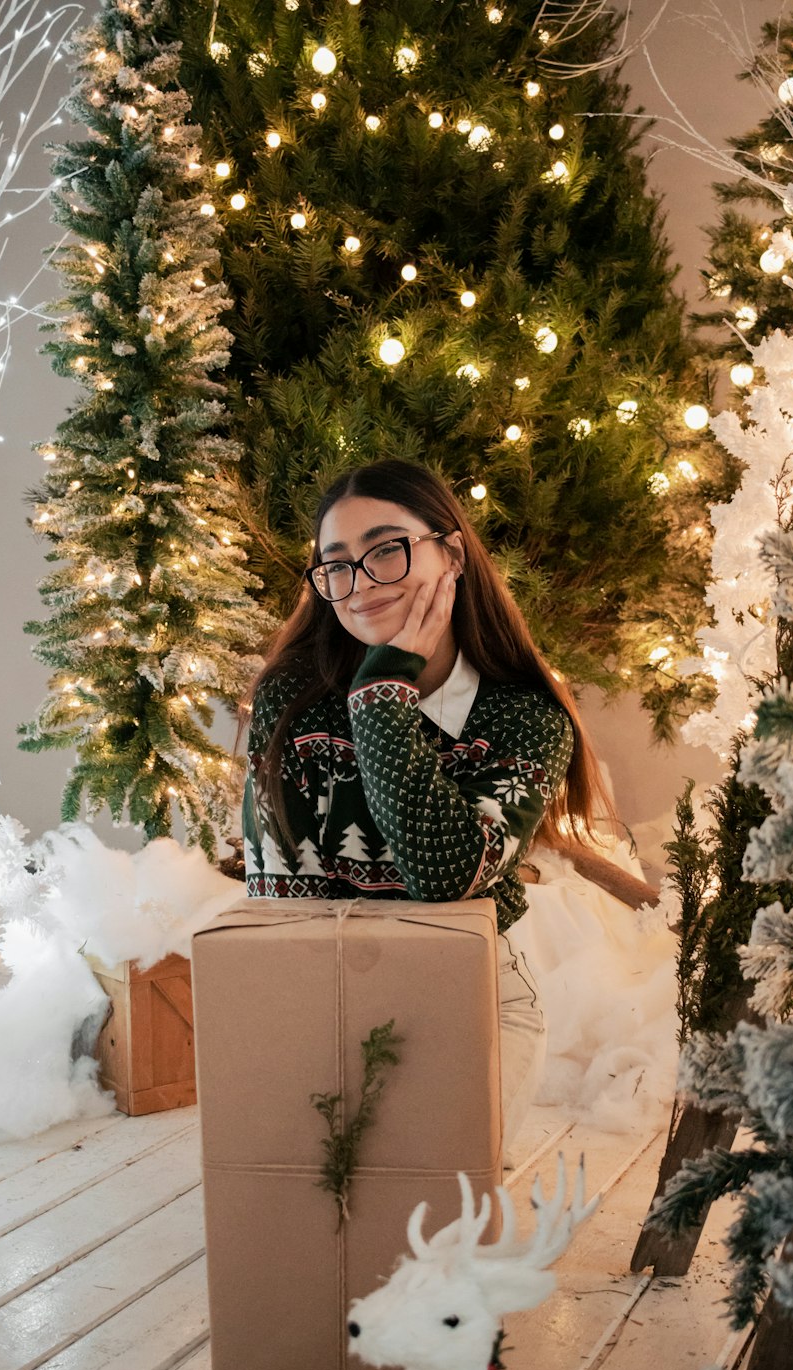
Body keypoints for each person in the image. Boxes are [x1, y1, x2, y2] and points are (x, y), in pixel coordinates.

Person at [241, 458, 615, 1151]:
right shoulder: (292, 700)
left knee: (442, 1230)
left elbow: (444, 879)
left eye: (387, 548)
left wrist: (383, 693)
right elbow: (281, 893)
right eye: (338, 564)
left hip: (471, 996)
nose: (361, 583)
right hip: (323, 991)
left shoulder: (524, 720)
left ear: (452, 553)